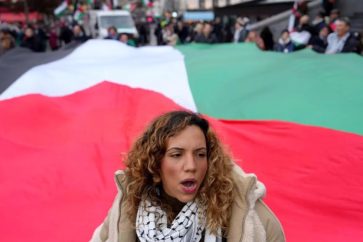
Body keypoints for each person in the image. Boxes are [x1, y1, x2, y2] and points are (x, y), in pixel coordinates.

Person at [91, 111, 285, 242]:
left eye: (201, 154)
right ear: (155, 164)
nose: (192, 166)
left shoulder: (249, 213)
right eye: (177, 155)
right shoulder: (127, 206)